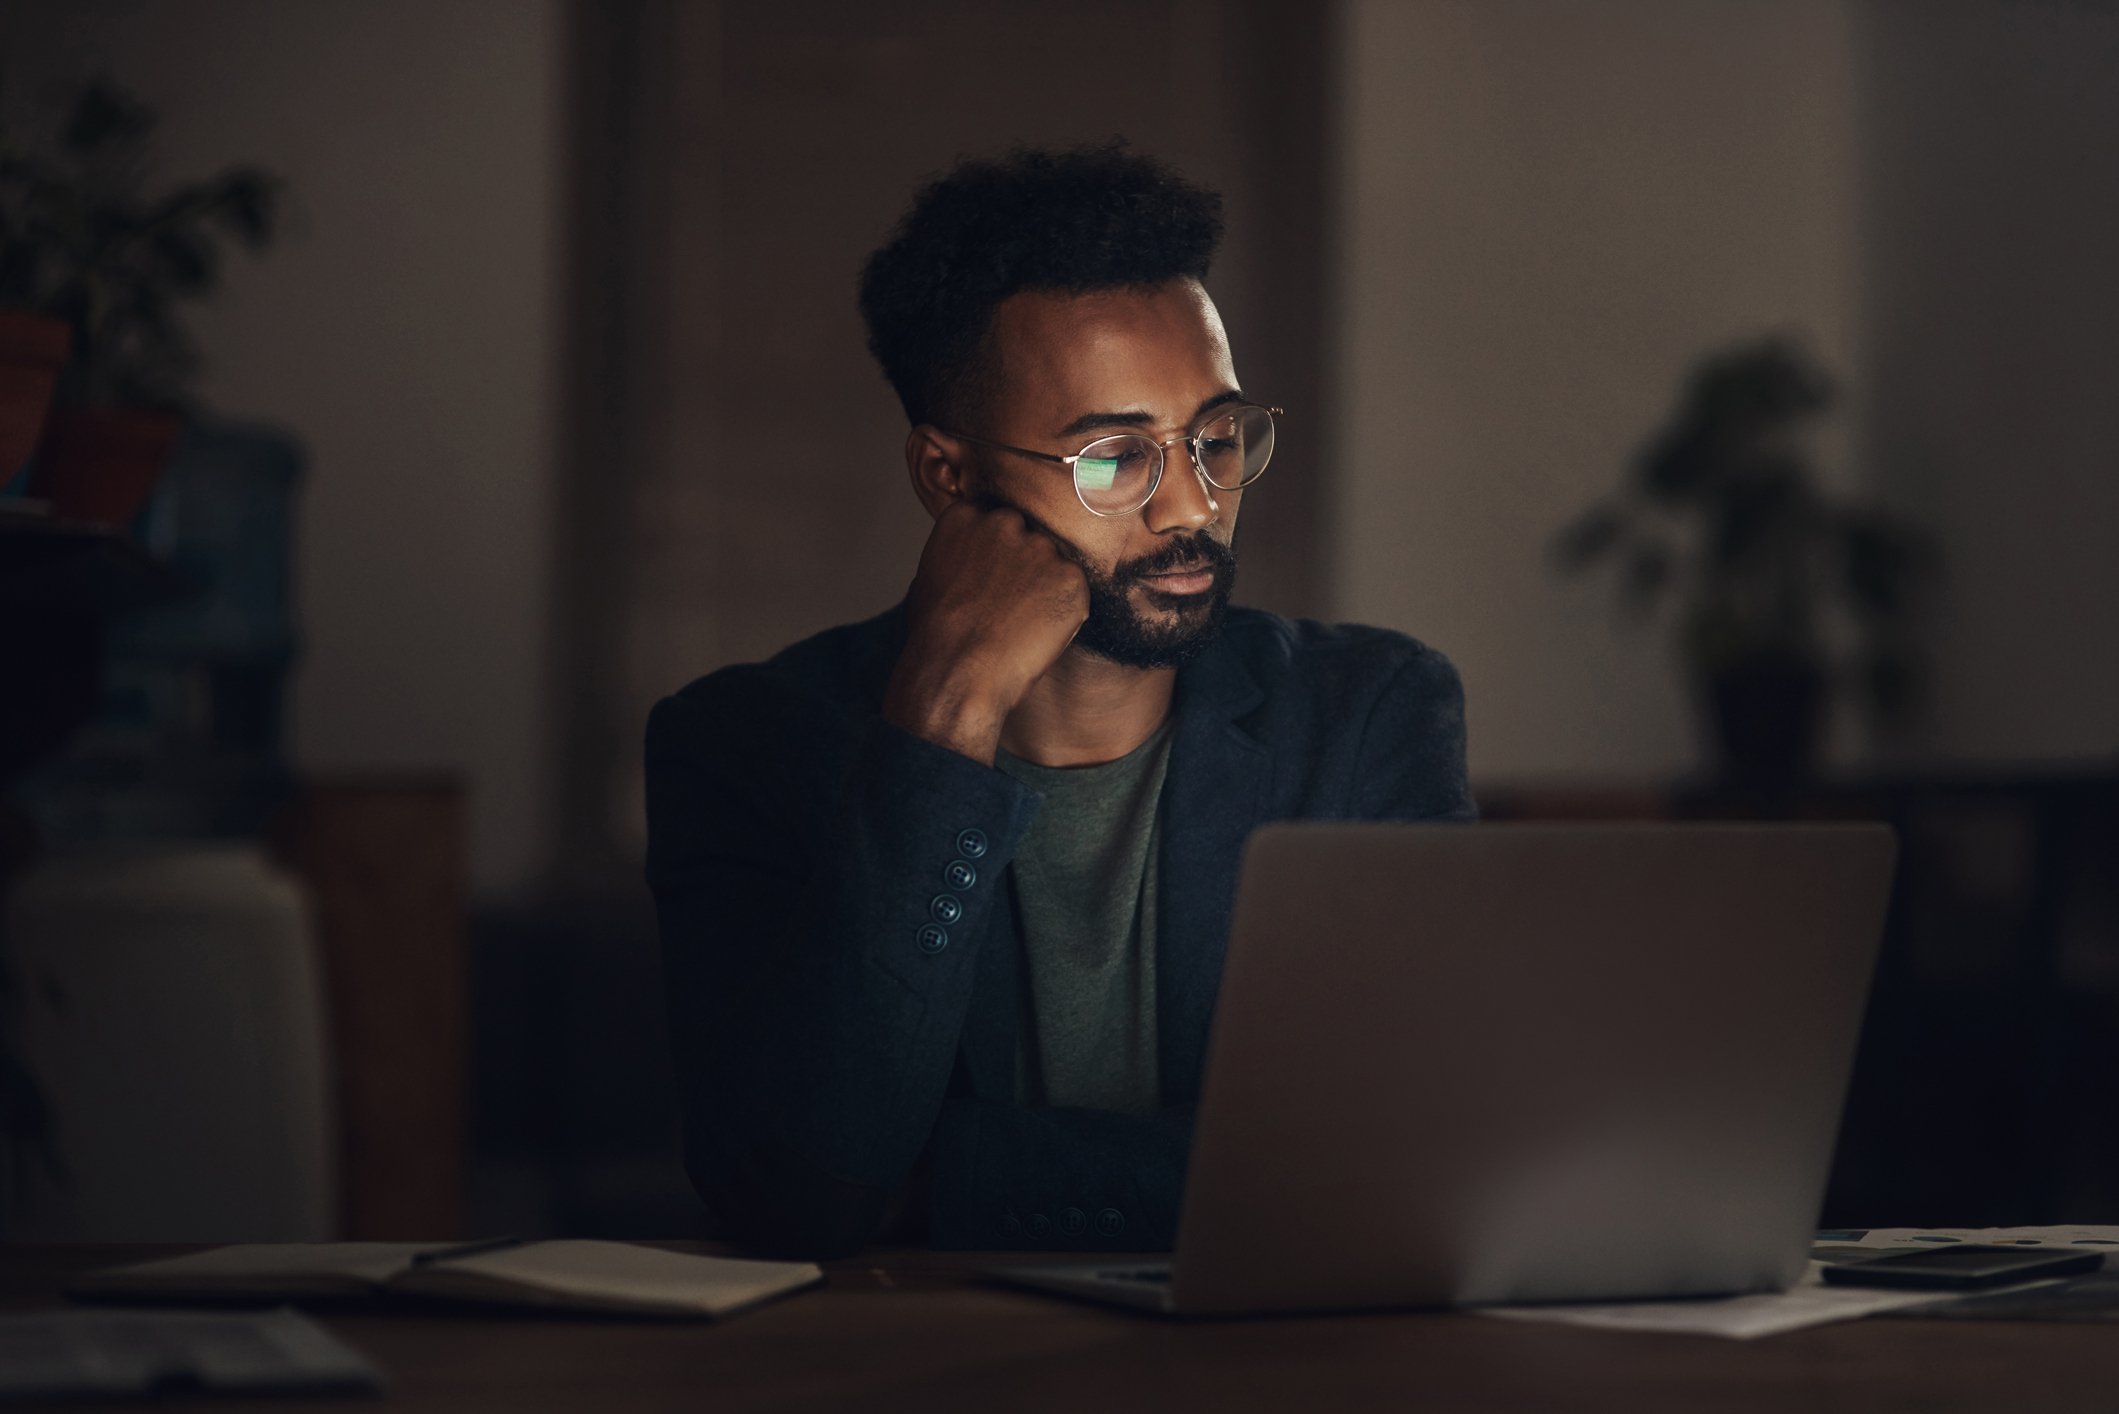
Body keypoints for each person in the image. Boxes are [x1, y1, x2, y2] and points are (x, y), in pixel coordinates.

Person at [645, 143, 1472, 1259]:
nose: (1192, 502)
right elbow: (797, 1189)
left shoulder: (1366, 717)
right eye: (1113, 458)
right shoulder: (744, 746)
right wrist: (940, 723)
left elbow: (1409, 1164)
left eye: (1216, 437)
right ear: (948, 476)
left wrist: (950, 1182)